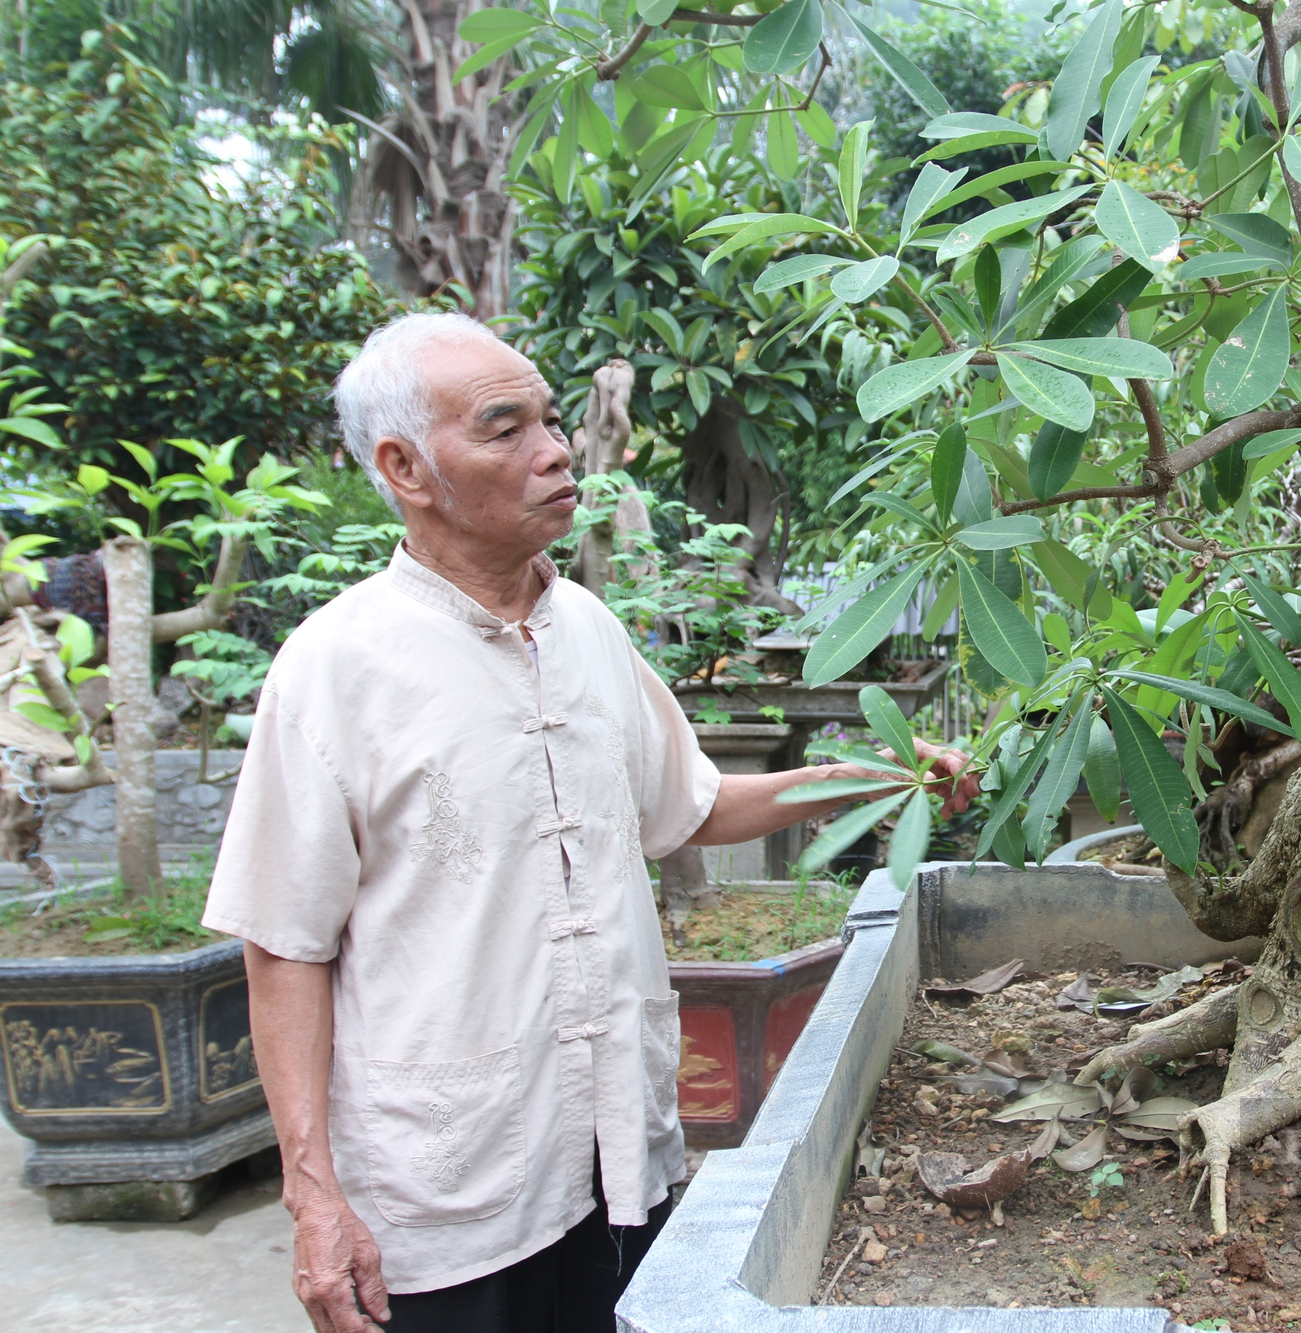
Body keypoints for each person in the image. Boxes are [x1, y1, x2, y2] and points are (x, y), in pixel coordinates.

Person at [201, 312, 976, 1333]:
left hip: (620, 1155)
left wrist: (877, 777)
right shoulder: (335, 667)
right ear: (405, 465)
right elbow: (284, 945)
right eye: (504, 427)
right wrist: (312, 1198)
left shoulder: (590, 633)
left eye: (553, 420)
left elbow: (694, 807)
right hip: (445, 1196)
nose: (557, 450)